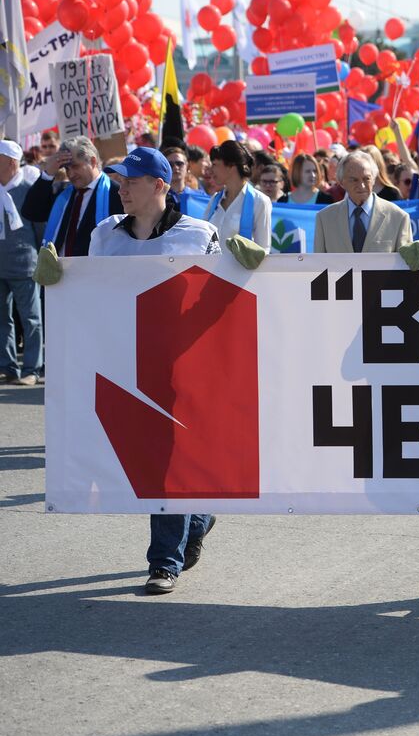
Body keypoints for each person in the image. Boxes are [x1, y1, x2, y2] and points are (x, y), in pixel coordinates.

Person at [79, 148, 221, 594]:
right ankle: (197, 517)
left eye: (132, 181)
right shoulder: (104, 235)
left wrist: (248, 268)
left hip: (183, 368)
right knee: (148, 463)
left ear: (160, 185)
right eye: (120, 180)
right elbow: (92, 296)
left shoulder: (200, 234)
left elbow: (219, 303)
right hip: (125, 364)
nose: (121, 188)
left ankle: (164, 562)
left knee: (168, 462)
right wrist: (60, 281)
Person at [21, 135, 124, 258]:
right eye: (66, 168)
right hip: (60, 271)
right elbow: (31, 213)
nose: (71, 174)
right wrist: (47, 174)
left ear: (92, 161)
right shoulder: (62, 192)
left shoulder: (117, 193)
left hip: (97, 271)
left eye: (75, 166)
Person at [313, 152, 414, 254]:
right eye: (354, 180)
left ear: (374, 179)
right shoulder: (325, 219)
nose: (361, 185)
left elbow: (406, 265)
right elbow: (318, 264)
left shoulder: (398, 217)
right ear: (342, 182)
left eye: (366, 179)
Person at [0, 141, 42, 385]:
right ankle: (7, 366)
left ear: (11, 162)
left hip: (25, 263)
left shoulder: (28, 189)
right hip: (1, 265)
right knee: (2, 318)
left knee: (31, 319)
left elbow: (39, 229)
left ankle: (31, 369)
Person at [202, 140, 272, 249]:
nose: (211, 170)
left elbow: (263, 249)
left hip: (241, 267)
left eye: (215, 164)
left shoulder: (260, 201)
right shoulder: (215, 200)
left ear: (231, 166)